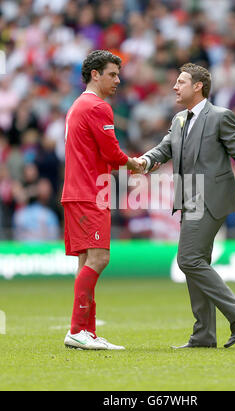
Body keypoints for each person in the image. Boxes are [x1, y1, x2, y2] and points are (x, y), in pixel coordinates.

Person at [138, 63, 235, 349]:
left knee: (188, 260)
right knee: (196, 263)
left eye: (181, 82)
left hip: (211, 199)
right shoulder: (180, 118)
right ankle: (204, 335)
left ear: (198, 86)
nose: (175, 87)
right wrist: (142, 162)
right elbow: (165, 148)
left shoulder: (221, 116)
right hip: (189, 200)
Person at [61, 50, 143, 350]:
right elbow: (111, 153)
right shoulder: (98, 107)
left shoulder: (77, 105)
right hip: (89, 193)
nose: (118, 80)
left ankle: (86, 332)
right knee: (99, 258)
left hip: (75, 191)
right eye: (112, 74)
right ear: (95, 74)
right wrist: (136, 164)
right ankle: (77, 330)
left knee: (86, 261)